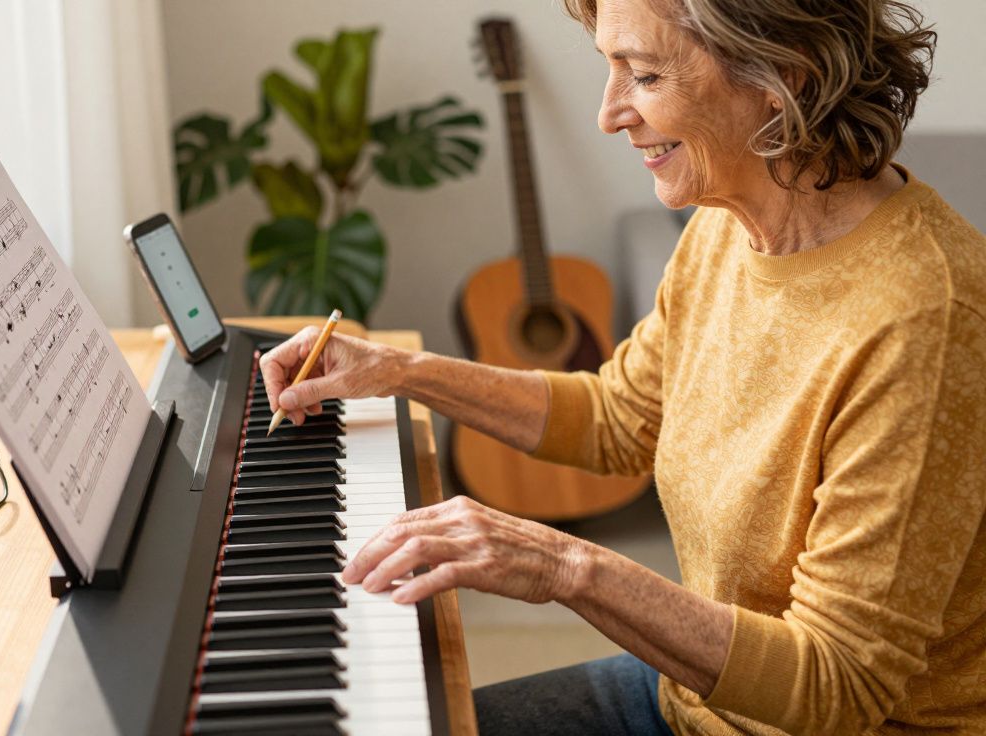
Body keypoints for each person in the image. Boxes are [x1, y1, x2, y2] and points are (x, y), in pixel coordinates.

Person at [257, 0, 986, 733]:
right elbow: (619, 418)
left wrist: (563, 567)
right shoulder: (729, 221)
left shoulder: (925, 319)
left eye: (645, 75)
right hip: (697, 700)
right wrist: (399, 371)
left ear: (784, 74)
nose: (608, 115)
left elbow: (840, 685)